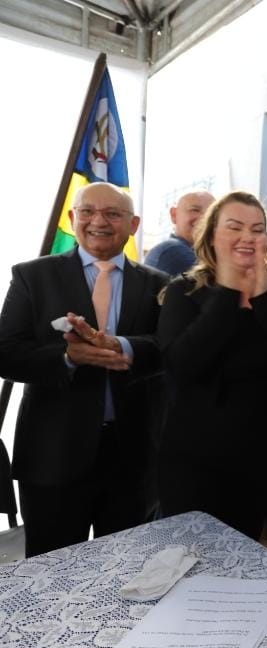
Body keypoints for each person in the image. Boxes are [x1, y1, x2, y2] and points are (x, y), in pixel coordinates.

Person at [0, 182, 167, 557]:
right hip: (52, 455)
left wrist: (124, 347)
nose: (98, 222)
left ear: (133, 224)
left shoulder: (160, 285)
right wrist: (68, 358)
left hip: (132, 458)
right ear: (73, 218)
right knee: (51, 571)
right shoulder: (32, 276)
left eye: (112, 213)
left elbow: (168, 348)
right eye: (88, 212)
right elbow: (6, 353)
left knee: (125, 569)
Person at [157, 191, 267, 545]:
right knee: (188, 570)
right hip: (192, 462)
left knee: (254, 571)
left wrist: (261, 297)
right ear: (210, 235)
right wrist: (227, 292)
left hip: (262, 460)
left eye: (257, 229)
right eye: (234, 227)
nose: (247, 237)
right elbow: (183, 365)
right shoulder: (184, 291)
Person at [145, 189, 215, 275]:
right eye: (195, 210)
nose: (204, 218)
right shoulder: (173, 251)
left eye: (211, 213)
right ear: (174, 214)